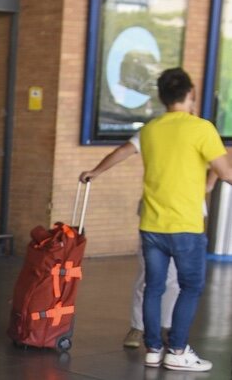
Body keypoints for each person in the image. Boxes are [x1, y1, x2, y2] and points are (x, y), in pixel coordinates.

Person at [119, 68, 232, 372]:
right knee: (191, 286)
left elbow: (123, 151)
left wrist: (94, 172)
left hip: (152, 225)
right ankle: (178, 350)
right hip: (185, 226)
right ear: (190, 93)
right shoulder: (201, 128)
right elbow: (226, 173)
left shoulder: (151, 128)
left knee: (154, 287)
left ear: (161, 96)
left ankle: (154, 349)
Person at [79, 134, 181, 349]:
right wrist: (96, 172)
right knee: (151, 275)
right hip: (155, 215)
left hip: (186, 216)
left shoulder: (199, 131)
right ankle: (139, 326)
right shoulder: (155, 130)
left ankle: (165, 325)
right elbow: (124, 151)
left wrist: (209, 184)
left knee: (173, 278)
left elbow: (219, 165)